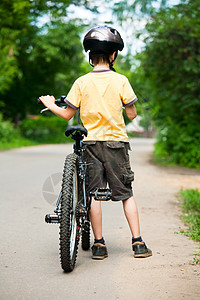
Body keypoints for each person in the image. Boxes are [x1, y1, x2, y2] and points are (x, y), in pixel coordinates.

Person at [39, 25, 152, 260]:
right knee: (126, 194)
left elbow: (67, 115)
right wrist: (121, 106)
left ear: (90, 55)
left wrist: (51, 105)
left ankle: (99, 245)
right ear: (113, 55)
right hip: (116, 144)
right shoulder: (121, 80)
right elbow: (131, 115)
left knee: (91, 195)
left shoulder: (81, 82)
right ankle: (138, 243)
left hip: (90, 144)